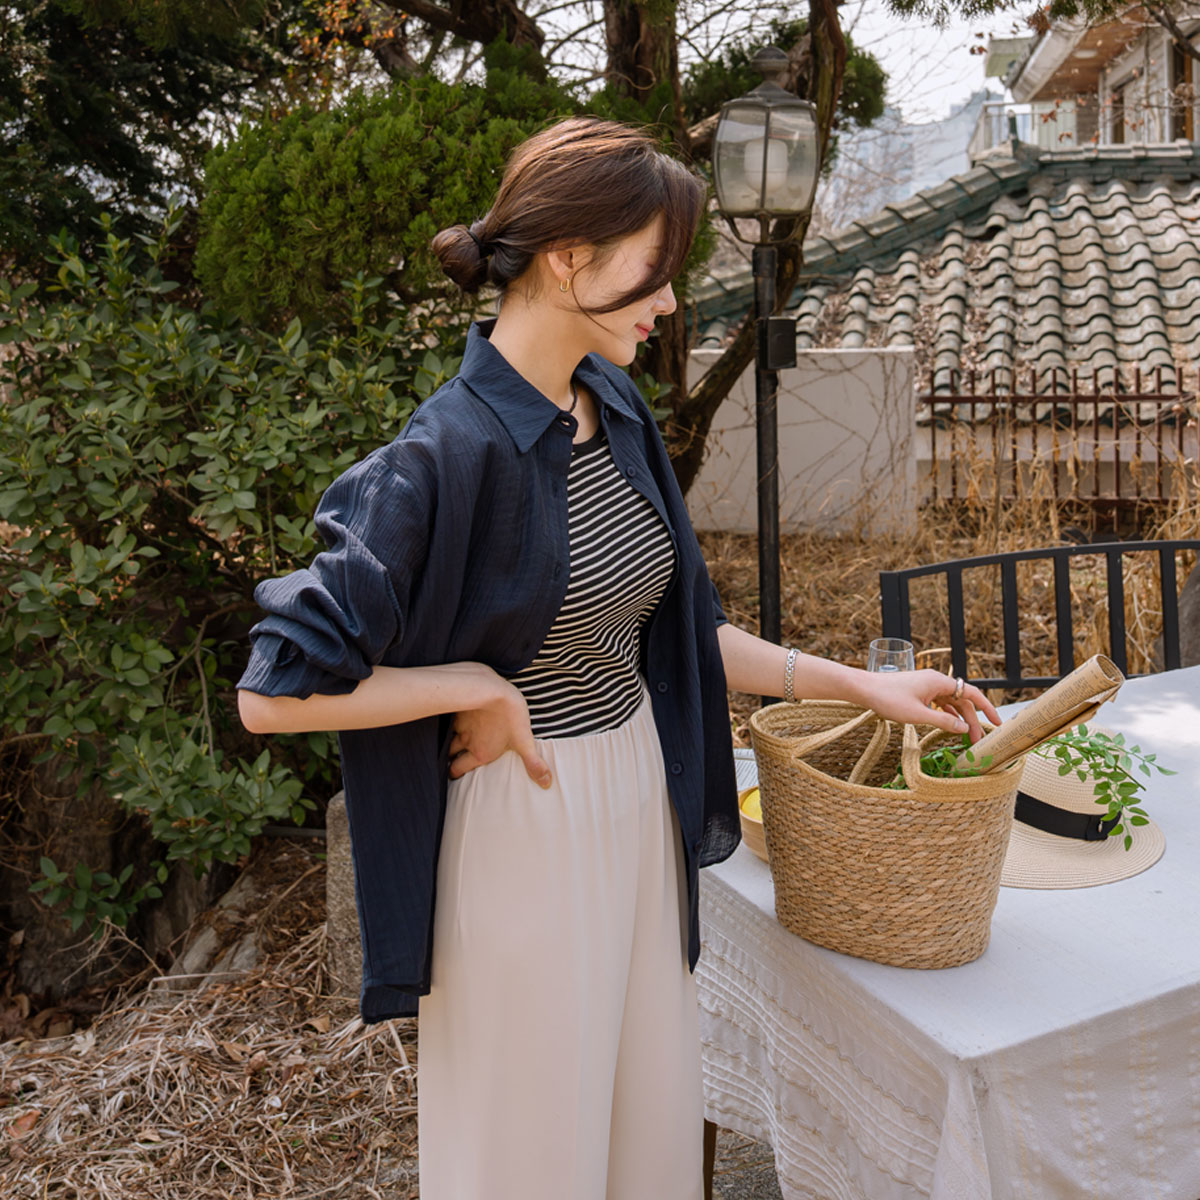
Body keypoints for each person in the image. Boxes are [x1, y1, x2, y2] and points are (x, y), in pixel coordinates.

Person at [236, 117, 999, 1200]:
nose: (672, 299)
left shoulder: (615, 406)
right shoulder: (437, 457)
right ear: (569, 258)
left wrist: (861, 684)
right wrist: (471, 687)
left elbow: (680, 629)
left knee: (643, 1125)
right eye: (656, 267)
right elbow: (274, 696)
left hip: (635, 793)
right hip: (521, 826)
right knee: (533, 1144)